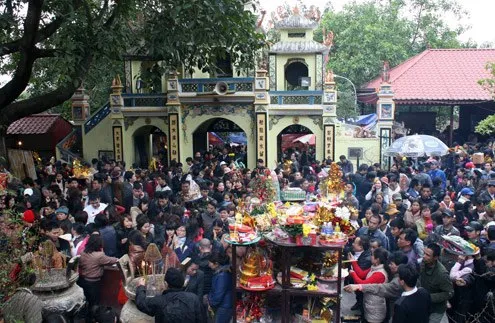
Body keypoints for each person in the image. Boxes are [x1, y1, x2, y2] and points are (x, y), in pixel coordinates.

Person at [135, 267, 202, 322]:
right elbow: (200, 319)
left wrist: (140, 286)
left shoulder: (159, 301)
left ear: (166, 284)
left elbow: (141, 303)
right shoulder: (193, 298)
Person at [78, 234, 119, 313]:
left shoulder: (83, 252)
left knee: (87, 301)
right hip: (94, 282)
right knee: (95, 303)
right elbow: (111, 260)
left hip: (84, 280)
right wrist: (117, 259)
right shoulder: (99, 255)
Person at [349, 247, 390, 323]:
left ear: (377, 259)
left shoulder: (379, 274)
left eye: (372, 255)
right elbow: (361, 274)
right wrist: (353, 261)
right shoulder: (374, 268)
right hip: (370, 303)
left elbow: (362, 284)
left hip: (375, 307)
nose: (370, 257)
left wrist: (353, 273)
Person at [420, 243, 454, 323]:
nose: (424, 256)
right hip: (424, 305)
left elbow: (449, 293)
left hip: (436, 309)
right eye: (424, 253)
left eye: (428, 255)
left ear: (435, 257)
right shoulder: (424, 263)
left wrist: (429, 297)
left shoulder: (442, 274)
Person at [207, 252, 233, 323]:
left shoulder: (222, 276)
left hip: (224, 307)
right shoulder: (221, 272)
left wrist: (210, 302)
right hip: (224, 305)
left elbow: (218, 294)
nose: (208, 265)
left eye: (210, 263)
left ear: (216, 264)